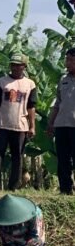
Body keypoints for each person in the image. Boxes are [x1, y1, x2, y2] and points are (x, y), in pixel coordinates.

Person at [0, 53, 37, 191]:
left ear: (24, 66)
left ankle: (13, 187)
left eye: (18, 65)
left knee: (18, 158)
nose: (15, 67)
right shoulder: (1, 82)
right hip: (1, 125)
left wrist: (32, 126)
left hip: (20, 126)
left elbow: (31, 106)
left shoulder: (30, 84)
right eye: (13, 65)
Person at [46, 47, 75, 195]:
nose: (67, 63)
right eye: (67, 59)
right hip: (62, 125)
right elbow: (57, 103)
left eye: (70, 60)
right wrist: (51, 123)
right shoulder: (63, 80)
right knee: (63, 160)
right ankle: (65, 190)